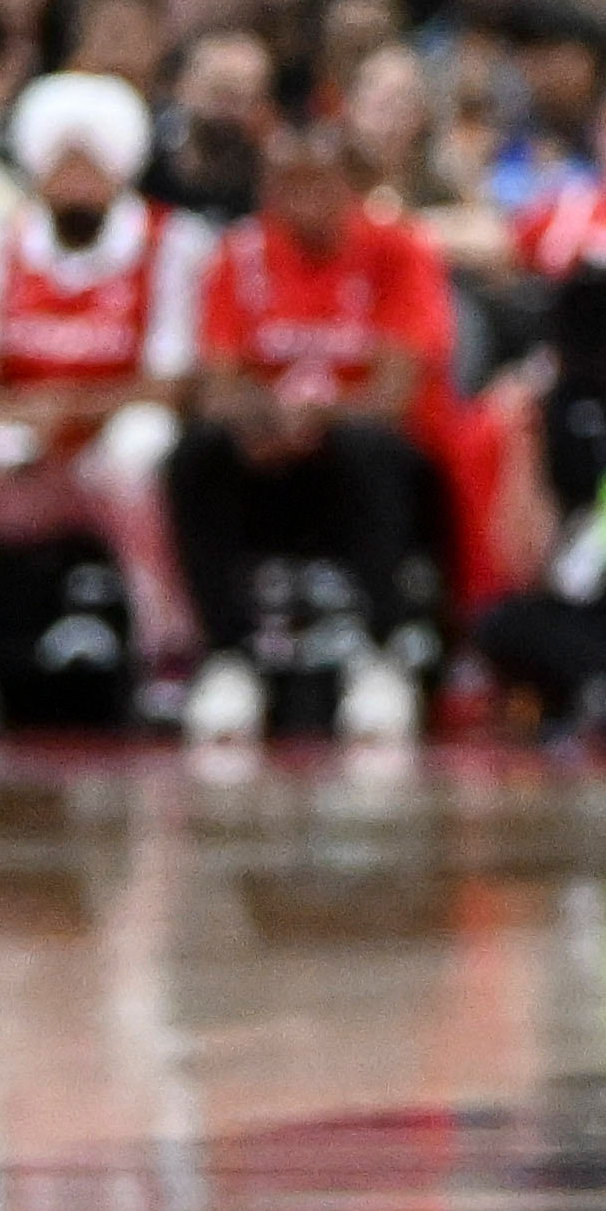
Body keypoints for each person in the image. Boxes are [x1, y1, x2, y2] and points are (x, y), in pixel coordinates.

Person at [169, 115, 459, 742]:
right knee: (196, 453)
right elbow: (217, 384)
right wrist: (267, 416)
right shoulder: (238, 254)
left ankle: (380, 658)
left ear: (349, 185)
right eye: (285, 182)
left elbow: (395, 390)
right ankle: (229, 658)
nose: (300, 197)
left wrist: (315, 416)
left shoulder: (398, 250)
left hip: (369, 459)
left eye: (316, 180)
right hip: (269, 456)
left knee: (366, 448)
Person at [0, 71, 197, 721]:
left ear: (120, 170)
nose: (75, 184)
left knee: (144, 442)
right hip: (17, 454)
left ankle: (167, 656)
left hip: (104, 458)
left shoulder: (169, 242)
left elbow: (170, 383)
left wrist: (68, 413)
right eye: (62, 167)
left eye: (90, 168)